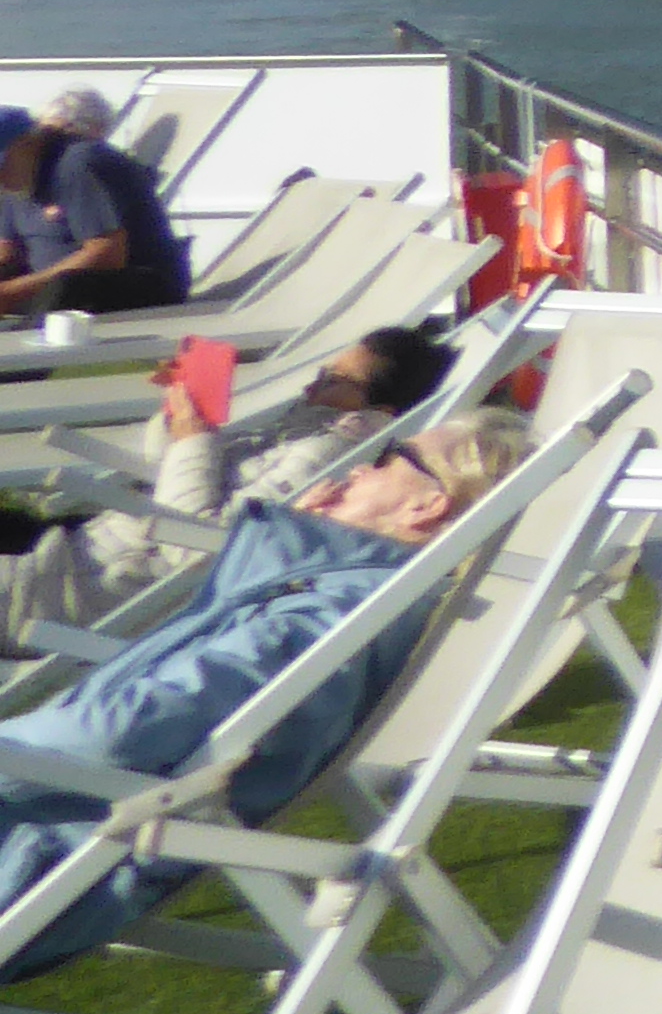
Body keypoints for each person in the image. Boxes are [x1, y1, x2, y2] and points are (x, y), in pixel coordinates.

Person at [0, 412, 528, 978]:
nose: (355, 470)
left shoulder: (327, 621)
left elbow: (129, 729)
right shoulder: (325, 592)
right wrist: (294, 543)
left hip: (42, 847)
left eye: (386, 459)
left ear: (426, 506)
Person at [0, 328, 460, 646]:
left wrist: (195, 438)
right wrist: (179, 417)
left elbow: (197, 543)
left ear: (381, 408)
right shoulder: (310, 430)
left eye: (336, 379)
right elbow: (176, 480)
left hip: (64, 592)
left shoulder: (329, 458)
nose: (313, 383)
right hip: (76, 552)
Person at [0, 99, 188, 318]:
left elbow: (107, 254)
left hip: (135, 284)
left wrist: (11, 292)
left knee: (64, 289)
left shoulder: (79, 164)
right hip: (57, 288)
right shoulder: (16, 184)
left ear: (28, 143)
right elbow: (7, 250)